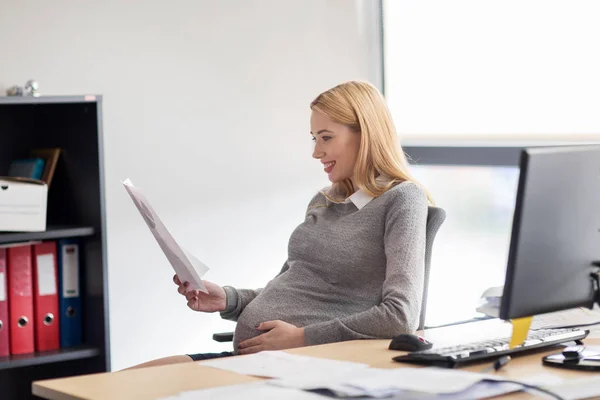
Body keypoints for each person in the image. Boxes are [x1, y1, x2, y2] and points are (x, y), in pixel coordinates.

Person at [127, 80, 432, 369]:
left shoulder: (402, 199)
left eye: (326, 137)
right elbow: (290, 287)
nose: (316, 152)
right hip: (252, 360)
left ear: (365, 134)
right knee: (105, 387)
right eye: (315, 139)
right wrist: (227, 298)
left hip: (307, 366)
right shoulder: (325, 200)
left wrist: (303, 338)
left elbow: (400, 316)